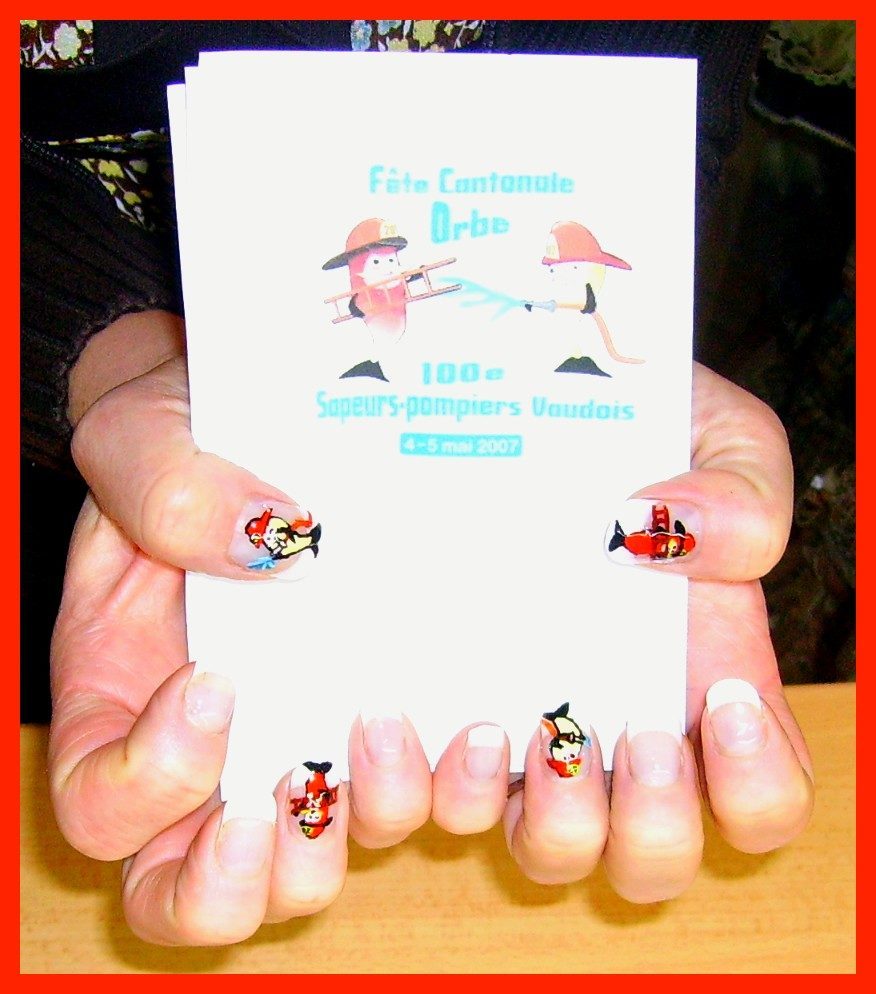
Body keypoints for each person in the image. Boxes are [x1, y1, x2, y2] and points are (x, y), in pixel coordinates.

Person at [22, 20, 813, 947]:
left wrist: (644, 400)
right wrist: (143, 373)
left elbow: (662, 101)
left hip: (517, 425)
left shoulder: (524, 290)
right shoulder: (366, 296)